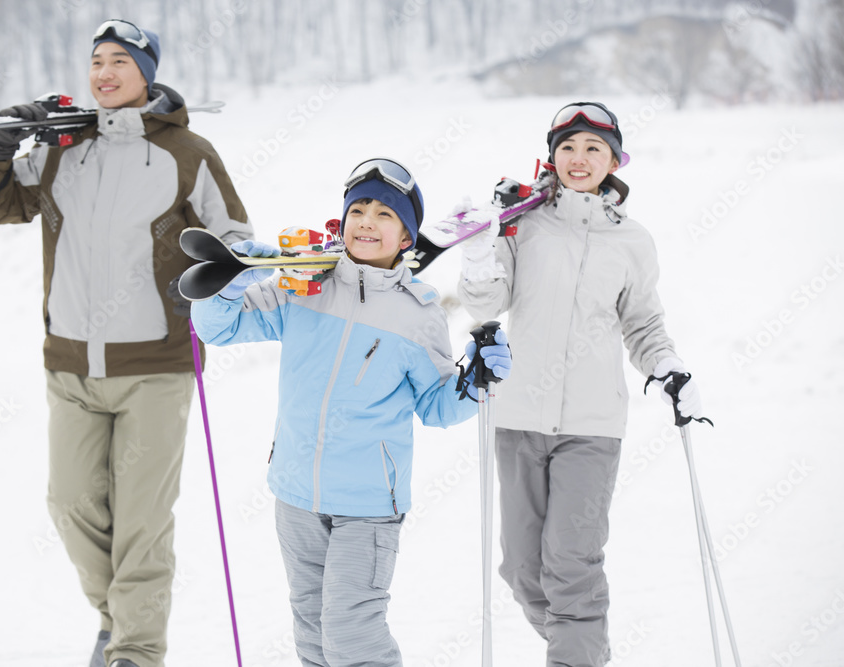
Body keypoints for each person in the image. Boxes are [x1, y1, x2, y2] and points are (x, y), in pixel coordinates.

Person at [0, 19, 253, 667]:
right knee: (69, 501)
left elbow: (236, 238)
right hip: (69, 362)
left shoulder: (190, 153)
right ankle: (117, 617)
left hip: (155, 365)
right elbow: (1, 208)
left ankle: (135, 649)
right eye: (96, 60)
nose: (104, 72)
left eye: (119, 61)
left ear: (147, 72)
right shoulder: (61, 147)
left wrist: (211, 275)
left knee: (141, 523)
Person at [190, 158, 512, 666]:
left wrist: (476, 381)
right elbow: (220, 328)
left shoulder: (417, 311)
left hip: (367, 503)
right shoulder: (302, 286)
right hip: (295, 492)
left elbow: (436, 407)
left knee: (351, 634)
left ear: (407, 237)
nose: (366, 220)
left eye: (385, 214)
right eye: (358, 209)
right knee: (313, 631)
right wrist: (228, 286)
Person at [456, 102, 704, 667]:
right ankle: (585, 648)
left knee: (571, 561)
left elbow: (643, 322)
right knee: (521, 567)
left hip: (592, 426)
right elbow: (487, 303)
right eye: (567, 146)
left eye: (594, 147)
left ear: (614, 160)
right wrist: (478, 252)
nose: (579, 158)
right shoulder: (522, 222)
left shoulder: (632, 241)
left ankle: (576, 656)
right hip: (518, 417)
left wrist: (668, 368)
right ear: (551, 155)